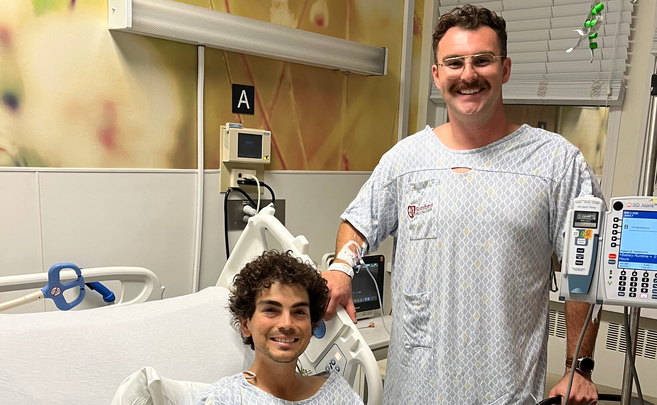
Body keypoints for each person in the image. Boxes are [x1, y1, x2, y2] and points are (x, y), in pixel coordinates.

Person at [322, 5, 602, 405]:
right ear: (437, 75)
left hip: (506, 392)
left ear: (505, 69)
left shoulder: (556, 163)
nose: (468, 75)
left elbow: (586, 269)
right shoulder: (406, 160)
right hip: (414, 391)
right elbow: (358, 221)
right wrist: (341, 268)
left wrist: (579, 368)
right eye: (454, 63)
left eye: (482, 60)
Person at [194, 250, 363, 405]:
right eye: (270, 310)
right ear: (245, 324)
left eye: (299, 312)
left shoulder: (338, 394)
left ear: (312, 326)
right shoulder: (223, 399)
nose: (287, 324)